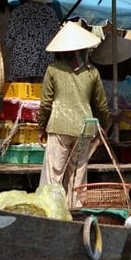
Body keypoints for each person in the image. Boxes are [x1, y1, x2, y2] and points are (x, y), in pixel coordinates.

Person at [36, 21, 108, 208]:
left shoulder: (54, 69)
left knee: (54, 175)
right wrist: (105, 126)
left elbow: (45, 104)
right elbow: (101, 105)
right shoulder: (92, 72)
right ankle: (75, 209)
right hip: (85, 127)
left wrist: (41, 128)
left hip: (59, 125)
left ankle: (51, 209)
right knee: (77, 175)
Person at [3, 0, 59, 82]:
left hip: (21, 67)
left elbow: (8, 41)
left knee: (22, 97)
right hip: (45, 65)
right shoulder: (51, 13)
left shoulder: (19, 12)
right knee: (41, 96)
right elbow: (56, 38)